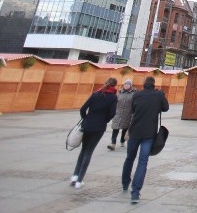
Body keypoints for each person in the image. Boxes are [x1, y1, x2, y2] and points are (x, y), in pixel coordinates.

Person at [122, 76, 169, 204]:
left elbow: (132, 110)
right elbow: (165, 108)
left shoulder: (137, 95)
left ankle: (125, 182)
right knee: (143, 162)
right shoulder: (158, 95)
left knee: (129, 158)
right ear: (154, 85)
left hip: (135, 132)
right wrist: (161, 95)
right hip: (149, 134)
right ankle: (135, 192)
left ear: (144, 84)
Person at [71, 77, 118, 188]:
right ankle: (80, 180)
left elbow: (83, 109)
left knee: (83, 150)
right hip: (99, 127)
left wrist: (86, 118)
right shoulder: (113, 97)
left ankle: (75, 175)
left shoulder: (96, 94)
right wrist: (105, 120)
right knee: (89, 151)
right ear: (114, 86)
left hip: (87, 125)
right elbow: (112, 113)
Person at [108, 79, 136, 150]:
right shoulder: (119, 92)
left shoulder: (133, 93)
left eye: (128, 84)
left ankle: (122, 141)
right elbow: (115, 101)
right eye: (125, 84)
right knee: (115, 128)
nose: (126, 85)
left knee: (125, 128)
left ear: (130, 85)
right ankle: (113, 144)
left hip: (128, 114)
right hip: (118, 113)